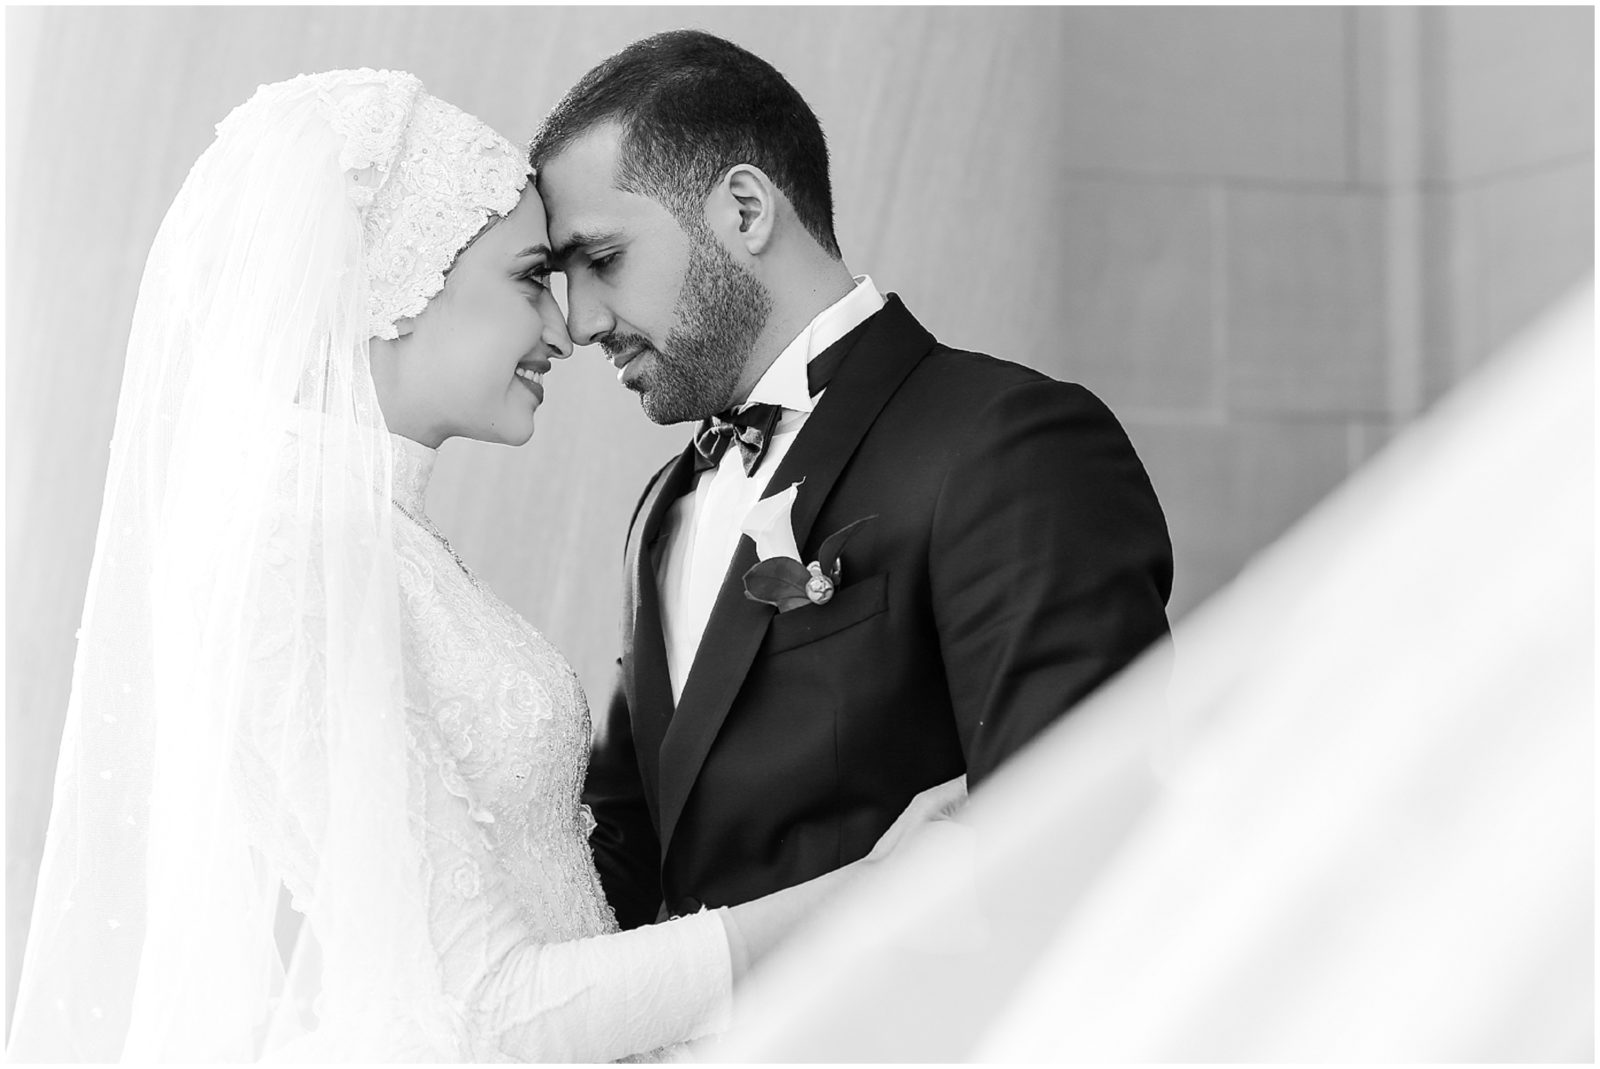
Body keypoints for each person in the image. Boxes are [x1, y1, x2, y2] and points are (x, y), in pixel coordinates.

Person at [5, 68, 954, 1063]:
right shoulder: (296, 549)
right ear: (394, 291)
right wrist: (876, 891)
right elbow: (486, 1007)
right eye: (528, 278)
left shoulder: (374, 538)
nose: (564, 326)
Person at [531, 30, 1175, 931]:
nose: (585, 320)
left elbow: (1079, 844)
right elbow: (632, 849)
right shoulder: (665, 508)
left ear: (745, 210)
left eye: (602, 260)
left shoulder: (1009, 443)